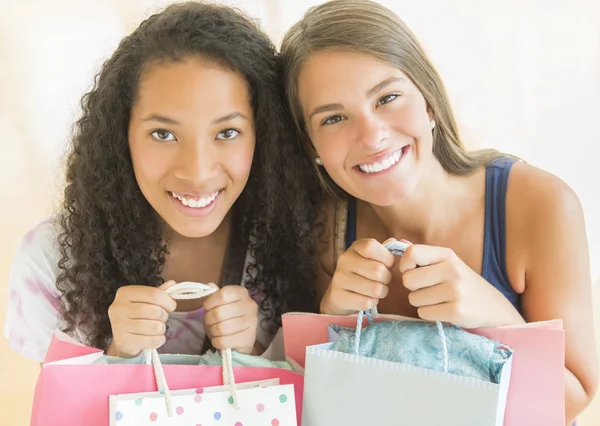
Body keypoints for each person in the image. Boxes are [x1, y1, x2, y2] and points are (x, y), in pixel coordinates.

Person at [280, 0, 598, 422]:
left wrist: (493, 315)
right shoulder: (324, 226)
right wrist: (330, 320)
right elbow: (320, 405)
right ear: (311, 146)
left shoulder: (539, 204)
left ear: (428, 100)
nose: (372, 135)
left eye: (388, 97)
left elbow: (572, 401)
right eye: (334, 119)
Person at [4, 2, 318, 362]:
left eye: (228, 131)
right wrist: (118, 355)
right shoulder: (51, 260)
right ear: (120, 137)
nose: (197, 172)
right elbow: (56, 408)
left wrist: (253, 352)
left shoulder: (299, 239)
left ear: (263, 136)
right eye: (163, 134)